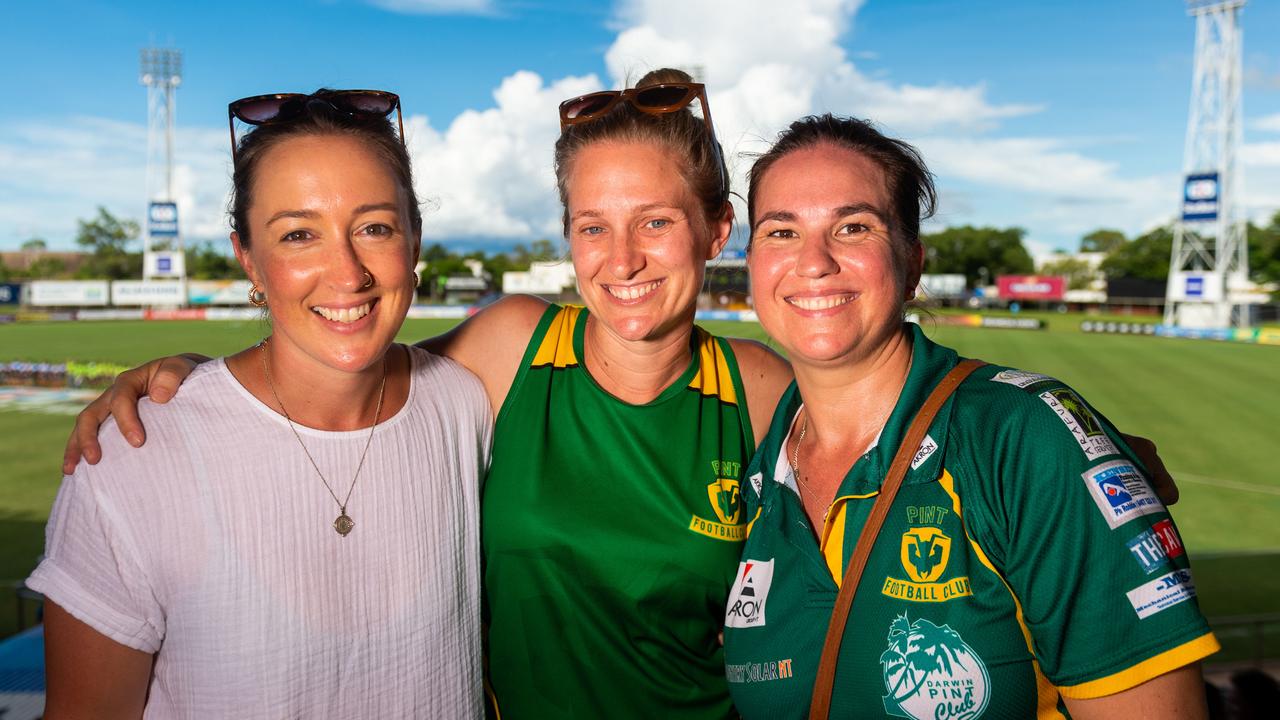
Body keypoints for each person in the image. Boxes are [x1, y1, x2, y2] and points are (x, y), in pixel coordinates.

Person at [60, 69, 793, 719]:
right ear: (247, 256)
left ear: (717, 230)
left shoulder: (759, 389)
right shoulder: (510, 349)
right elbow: (338, 364)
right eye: (592, 225)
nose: (623, 256)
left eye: (656, 221)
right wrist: (192, 377)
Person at [722, 114, 1218, 719]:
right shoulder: (756, 464)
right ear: (751, 264)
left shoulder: (1021, 437)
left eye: (854, 227)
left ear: (913, 263)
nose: (815, 261)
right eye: (780, 232)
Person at [29, 90, 491, 717]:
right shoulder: (133, 457)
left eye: (375, 227)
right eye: (299, 234)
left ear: (414, 241)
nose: (347, 271)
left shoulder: (469, 404)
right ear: (248, 256)